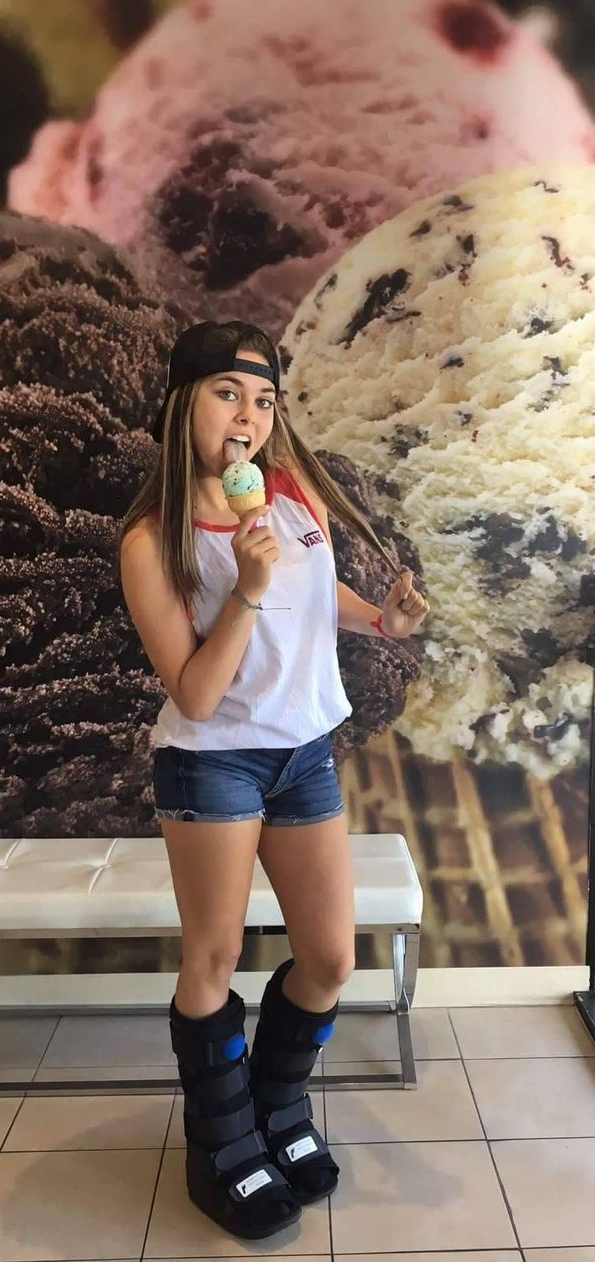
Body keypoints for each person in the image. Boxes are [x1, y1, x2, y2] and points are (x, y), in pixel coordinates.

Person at [119, 320, 430, 1240]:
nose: (248, 418)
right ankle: (222, 1145)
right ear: (184, 407)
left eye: (263, 400)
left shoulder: (293, 500)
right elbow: (198, 693)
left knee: (331, 958)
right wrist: (245, 586)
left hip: (303, 755)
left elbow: (314, 591)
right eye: (227, 394)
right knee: (213, 960)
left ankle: (273, 1108)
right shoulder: (153, 541)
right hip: (212, 763)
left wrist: (382, 619)